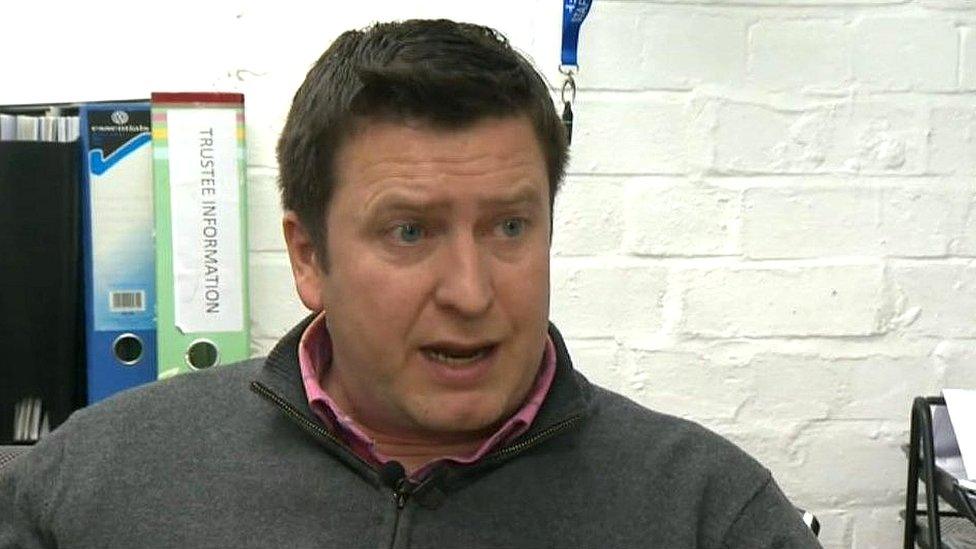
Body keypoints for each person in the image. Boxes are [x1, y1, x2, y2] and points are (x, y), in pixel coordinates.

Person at [0, 19, 821, 548]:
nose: (470, 290)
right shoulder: (95, 483)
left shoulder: (709, 514)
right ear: (309, 258)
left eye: (509, 226)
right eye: (410, 231)